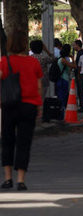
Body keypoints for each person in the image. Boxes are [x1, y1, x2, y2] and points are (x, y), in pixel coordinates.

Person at [0, 30, 43, 191]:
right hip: (29, 106)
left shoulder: (4, 61)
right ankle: (21, 180)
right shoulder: (33, 63)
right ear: (25, 44)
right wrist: (39, 106)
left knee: (7, 141)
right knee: (24, 143)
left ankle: (7, 178)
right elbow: (39, 86)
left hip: (9, 105)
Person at [55, 44, 76, 119]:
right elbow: (73, 66)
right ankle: (61, 114)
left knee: (62, 96)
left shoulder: (59, 59)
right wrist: (73, 58)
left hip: (61, 79)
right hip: (63, 79)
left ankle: (62, 113)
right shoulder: (63, 60)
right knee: (63, 97)